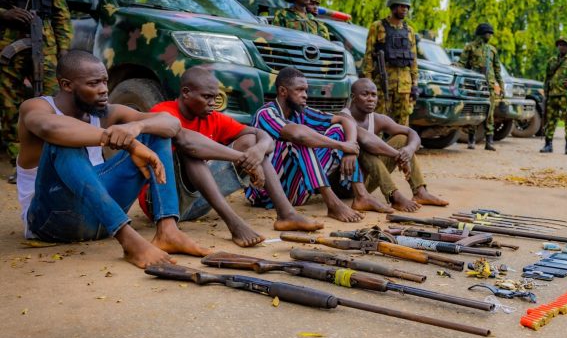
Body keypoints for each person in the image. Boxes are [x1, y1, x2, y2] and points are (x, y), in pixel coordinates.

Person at [16, 51, 207, 268]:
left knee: (156, 132)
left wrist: (137, 126)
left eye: (105, 81)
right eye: (94, 83)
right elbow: (49, 127)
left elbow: (171, 123)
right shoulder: (36, 107)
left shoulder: (106, 113)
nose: (104, 89)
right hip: (54, 221)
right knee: (62, 142)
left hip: (102, 216)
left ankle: (168, 231)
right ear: (66, 85)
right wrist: (131, 144)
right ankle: (129, 240)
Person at [142, 66, 323, 248]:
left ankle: (286, 215)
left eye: (215, 97)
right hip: (161, 206)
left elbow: (261, 135)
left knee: (250, 141)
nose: (212, 103)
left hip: (196, 203)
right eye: (207, 97)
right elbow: (188, 143)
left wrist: (258, 151)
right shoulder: (163, 112)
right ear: (186, 93)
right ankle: (235, 224)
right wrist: (243, 158)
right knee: (192, 153)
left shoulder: (212, 117)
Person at [246, 67, 391, 222]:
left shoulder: (301, 112)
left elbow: (345, 120)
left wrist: (350, 147)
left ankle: (361, 196)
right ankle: (333, 204)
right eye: (299, 90)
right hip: (266, 194)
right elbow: (298, 135)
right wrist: (341, 146)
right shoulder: (266, 113)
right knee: (300, 140)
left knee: (338, 129)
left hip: (297, 192)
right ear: (283, 91)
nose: (305, 95)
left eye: (306, 90)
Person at [0, 0, 72, 183]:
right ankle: (20, 163)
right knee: (9, 105)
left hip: (44, 41)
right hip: (6, 42)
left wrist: (64, 51)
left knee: (53, 102)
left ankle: (55, 160)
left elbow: (61, 11)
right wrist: (4, 13)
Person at [339, 78, 448, 212]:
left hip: (365, 184)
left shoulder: (378, 119)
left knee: (403, 138)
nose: (370, 99)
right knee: (365, 148)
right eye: (365, 94)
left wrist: (408, 150)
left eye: (374, 95)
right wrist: (399, 155)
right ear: (353, 97)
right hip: (344, 186)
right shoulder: (343, 117)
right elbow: (366, 141)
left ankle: (420, 192)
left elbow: (411, 132)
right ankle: (393, 196)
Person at [363, 0, 419, 126]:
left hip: (404, 85)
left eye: (407, 7)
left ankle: (400, 141)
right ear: (393, 6)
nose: (405, 9)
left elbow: (413, 59)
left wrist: (415, 84)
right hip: (383, 82)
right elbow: (369, 56)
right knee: (378, 121)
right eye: (401, 6)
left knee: (402, 124)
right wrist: (368, 82)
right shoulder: (377, 27)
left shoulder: (410, 31)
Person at [456, 23, 504, 151]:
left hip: (489, 85)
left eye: (491, 34)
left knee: (490, 114)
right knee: (474, 111)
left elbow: (497, 70)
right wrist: (454, 66)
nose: (490, 36)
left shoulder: (492, 50)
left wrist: (502, 87)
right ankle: (471, 139)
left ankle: (489, 142)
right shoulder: (470, 47)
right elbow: (462, 63)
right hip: (475, 86)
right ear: (481, 34)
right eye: (488, 33)